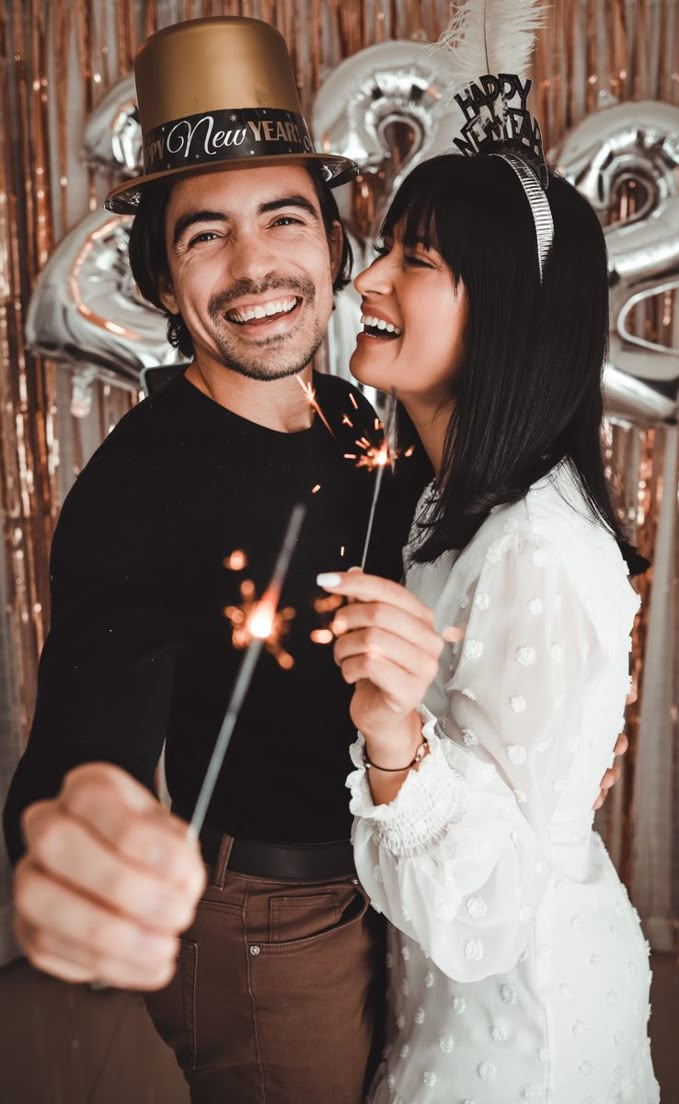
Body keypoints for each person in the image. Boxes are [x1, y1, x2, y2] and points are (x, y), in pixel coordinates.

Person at [2, 15, 627, 1104]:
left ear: (334, 247)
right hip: (270, 926)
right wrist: (77, 818)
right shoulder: (135, 490)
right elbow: (87, 734)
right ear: (159, 279)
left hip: (405, 886)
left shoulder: (361, 418)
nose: (255, 268)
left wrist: (561, 727)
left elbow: (476, 590)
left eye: (284, 219)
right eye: (205, 236)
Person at [319, 146, 659, 1102]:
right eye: (383, 247)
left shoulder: (532, 546)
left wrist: (392, 735)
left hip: (516, 1018)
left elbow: (501, 898)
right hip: (441, 979)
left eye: (415, 259)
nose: (369, 278)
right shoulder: (440, 501)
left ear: (506, 311)